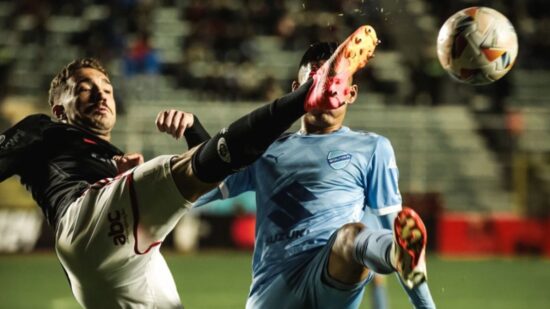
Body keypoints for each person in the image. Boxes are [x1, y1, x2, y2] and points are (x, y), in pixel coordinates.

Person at [0, 25, 379, 308]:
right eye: (85, 87)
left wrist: (190, 136)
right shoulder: (42, 129)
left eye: (108, 87)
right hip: (87, 221)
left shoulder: (108, 157)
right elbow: (203, 167)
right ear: (58, 109)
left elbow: (215, 172)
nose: (101, 93)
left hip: (116, 266)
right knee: (176, 169)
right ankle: (305, 96)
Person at [194, 41, 436, 309]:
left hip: (333, 277)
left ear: (351, 93)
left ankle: (388, 255)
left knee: (352, 236)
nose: (326, 91)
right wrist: (180, 147)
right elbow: (197, 190)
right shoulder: (264, 149)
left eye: (336, 82)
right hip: (273, 291)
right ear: (297, 92)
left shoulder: (372, 148)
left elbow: (400, 236)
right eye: (316, 82)